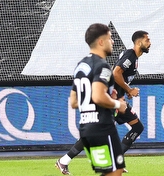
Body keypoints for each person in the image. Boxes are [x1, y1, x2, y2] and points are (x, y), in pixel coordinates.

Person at [57, 30, 150, 174]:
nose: (150, 43)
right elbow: (116, 72)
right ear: (139, 42)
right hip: (111, 101)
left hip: (118, 100)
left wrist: (125, 91)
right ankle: (64, 160)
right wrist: (129, 89)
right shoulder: (130, 55)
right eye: (147, 40)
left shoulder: (134, 58)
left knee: (137, 127)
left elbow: (118, 75)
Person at [59, 23, 126, 176]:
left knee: (108, 172)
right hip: (102, 126)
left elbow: (74, 102)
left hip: (86, 128)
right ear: (101, 42)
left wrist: (103, 96)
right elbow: (97, 96)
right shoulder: (102, 66)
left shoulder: (81, 65)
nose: (113, 42)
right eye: (110, 38)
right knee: (115, 172)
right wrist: (117, 104)